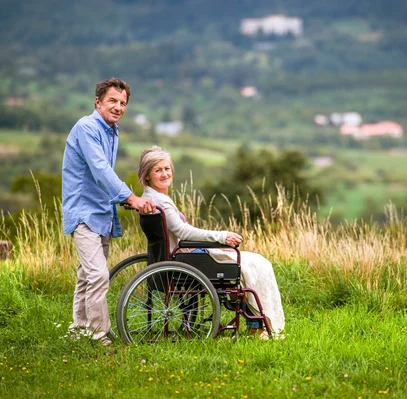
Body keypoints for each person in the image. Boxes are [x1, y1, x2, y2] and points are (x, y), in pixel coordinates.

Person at [138, 146, 285, 338]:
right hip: (185, 258)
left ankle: (256, 323)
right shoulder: (160, 201)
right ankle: (260, 325)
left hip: (177, 255)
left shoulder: (150, 197)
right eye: (158, 170)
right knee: (257, 264)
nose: (165, 174)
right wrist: (221, 236)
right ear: (147, 175)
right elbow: (183, 231)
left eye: (167, 168)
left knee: (254, 262)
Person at [62, 77, 155, 346]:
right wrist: (130, 196)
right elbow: (100, 170)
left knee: (86, 275)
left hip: (101, 212)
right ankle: (98, 335)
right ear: (98, 102)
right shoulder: (87, 127)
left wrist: (122, 199)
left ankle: (79, 330)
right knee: (98, 275)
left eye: (123, 103)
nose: (118, 107)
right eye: (112, 101)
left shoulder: (111, 131)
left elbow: (105, 175)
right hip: (83, 213)